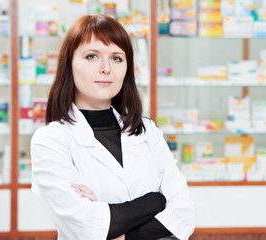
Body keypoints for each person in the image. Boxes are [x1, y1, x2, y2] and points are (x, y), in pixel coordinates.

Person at [30, 14, 195, 240]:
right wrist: (155, 201)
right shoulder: (51, 140)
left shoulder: (147, 131)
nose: (106, 68)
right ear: (69, 64)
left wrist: (118, 228)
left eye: (117, 58)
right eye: (92, 56)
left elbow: (183, 214)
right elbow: (85, 226)